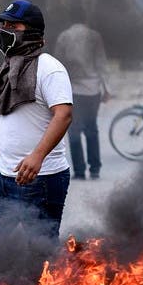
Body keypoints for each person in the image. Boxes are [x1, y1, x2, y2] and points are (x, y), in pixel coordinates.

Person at [0, 0, 73, 242]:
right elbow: (6, 115)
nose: (5, 31)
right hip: (1, 176)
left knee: (40, 253)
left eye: (13, 26)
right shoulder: (8, 68)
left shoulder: (49, 69)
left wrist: (37, 156)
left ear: (31, 32)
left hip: (40, 180)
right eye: (4, 26)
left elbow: (63, 115)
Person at [54, 13, 111, 180]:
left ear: (70, 20)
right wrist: (107, 88)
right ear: (85, 19)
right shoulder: (94, 36)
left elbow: (58, 64)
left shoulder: (64, 36)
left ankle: (79, 171)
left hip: (73, 89)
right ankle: (95, 168)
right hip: (93, 89)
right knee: (92, 128)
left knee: (74, 130)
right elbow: (101, 63)